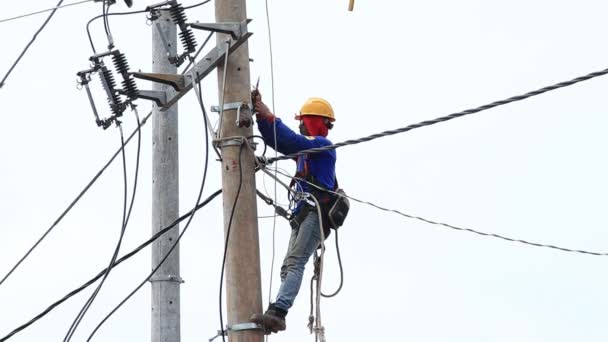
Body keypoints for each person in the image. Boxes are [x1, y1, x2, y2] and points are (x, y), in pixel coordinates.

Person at [250, 90, 337, 334]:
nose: (300, 126)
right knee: (287, 267)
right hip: (302, 214)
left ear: (314, 122)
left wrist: (268, 115)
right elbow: (279, 142)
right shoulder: (305, 151)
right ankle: (278, 310)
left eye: (303, 121)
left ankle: (279, 312)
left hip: (314, 212)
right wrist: (260, 117)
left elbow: (290, 140)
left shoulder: (322, 146)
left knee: (296, 262)